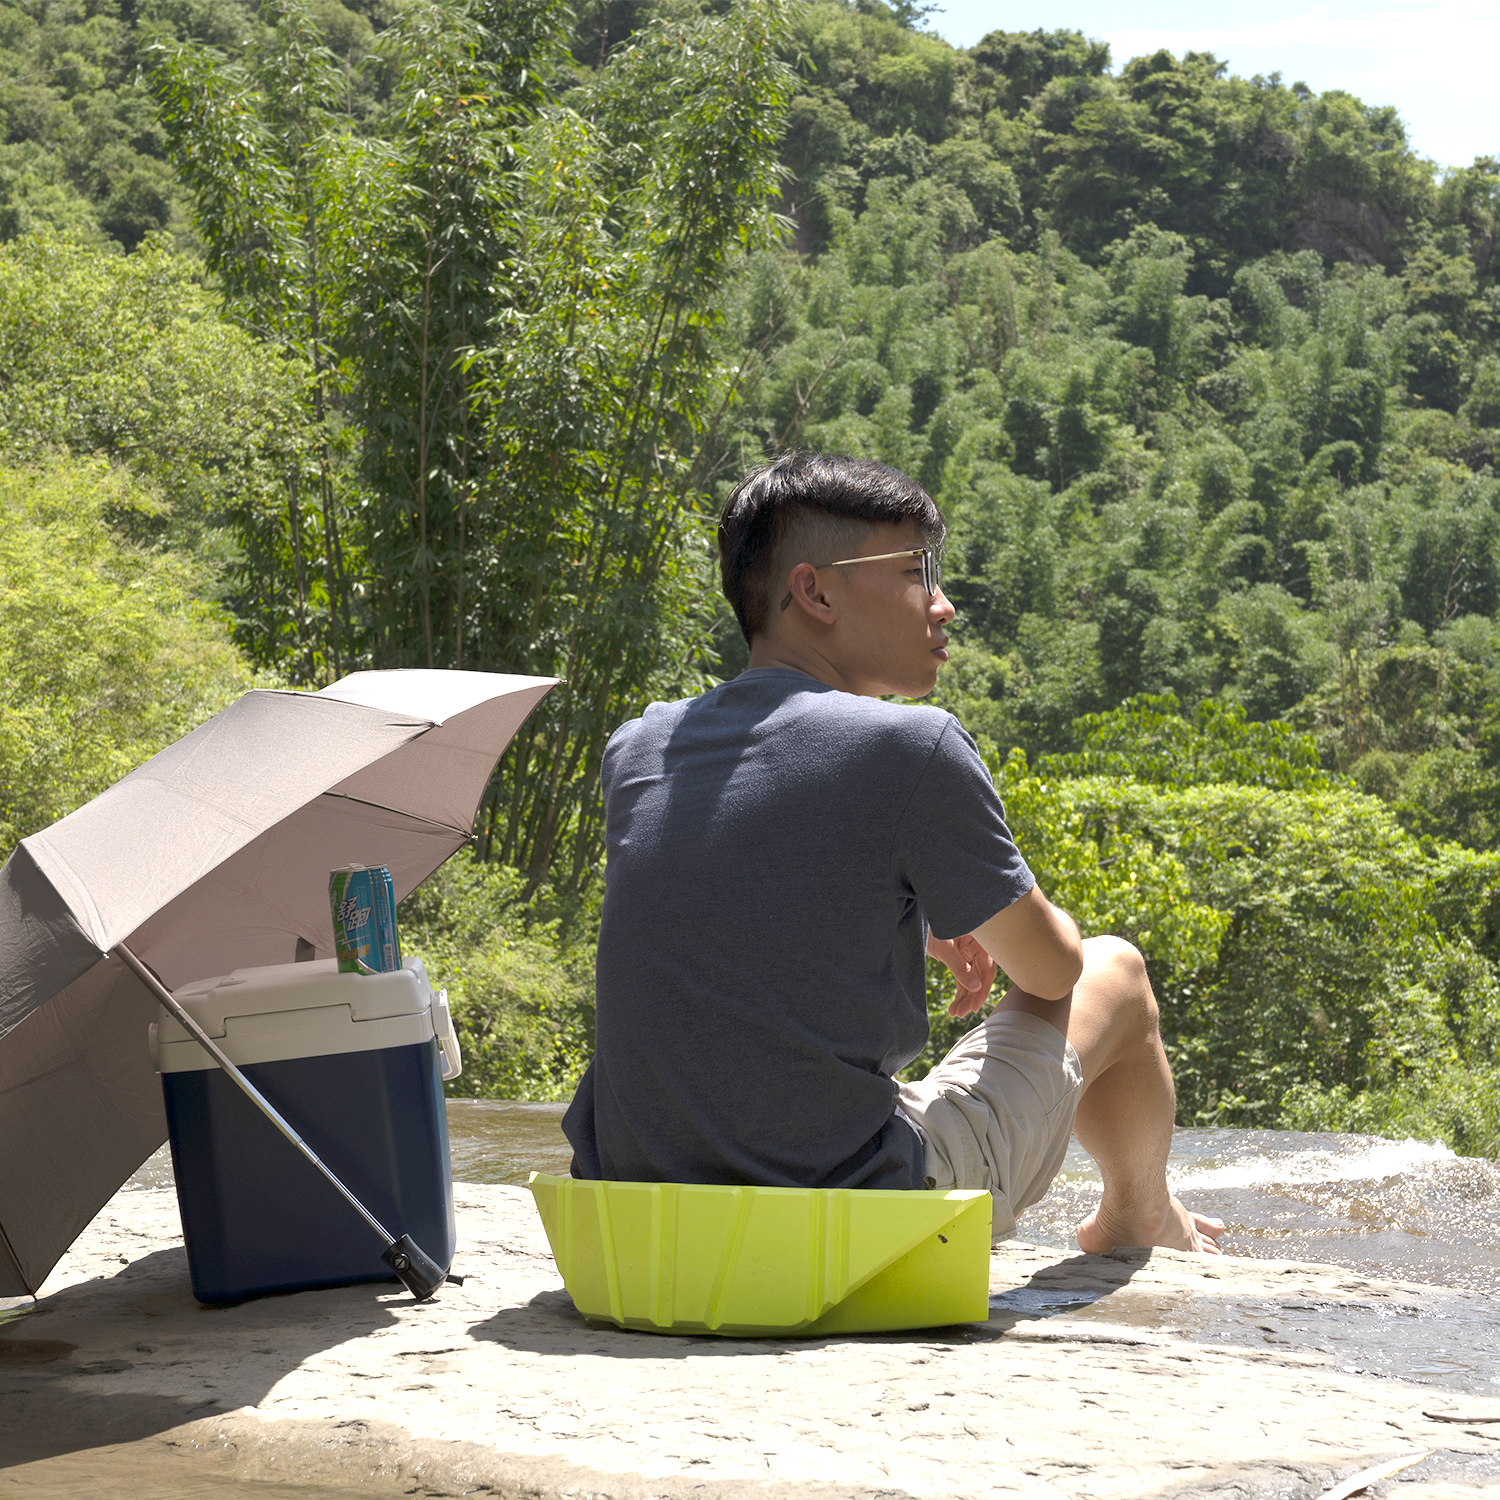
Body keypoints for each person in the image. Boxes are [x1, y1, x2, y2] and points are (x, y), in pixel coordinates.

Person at [562, 452, 1225, 1255]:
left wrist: (915, 919)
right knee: (1111, 969)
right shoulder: (913, 746)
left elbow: (723, 914)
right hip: (847, 1219)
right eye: (917, 571)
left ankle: (1139, 1210)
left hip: (636, 1223)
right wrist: (1010, 917)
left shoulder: (641, 745)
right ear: (816, 593)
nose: (943, 605)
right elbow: (1052, 973)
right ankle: (1139, 1215)